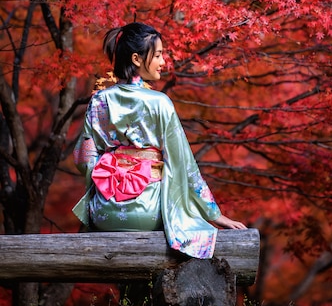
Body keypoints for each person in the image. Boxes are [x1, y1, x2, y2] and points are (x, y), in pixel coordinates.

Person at [72, 22, 246, 259]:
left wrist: (108, 180)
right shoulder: (160, 102)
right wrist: (214, 215)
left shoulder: (99, 100)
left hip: (104, 213)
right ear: (136, 58)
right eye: (158, 55)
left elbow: (84, 157)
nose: (163, 62)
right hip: (148, 212)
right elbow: (184, 164)